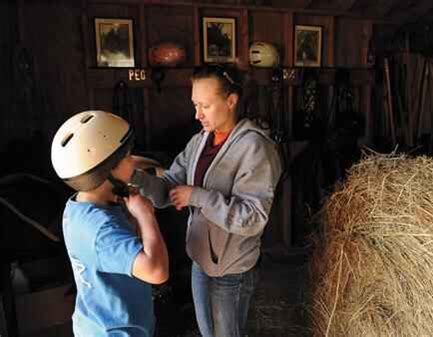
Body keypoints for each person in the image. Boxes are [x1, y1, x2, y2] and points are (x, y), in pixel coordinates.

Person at [131, 64, 282, 337]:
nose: (197, 114)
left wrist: (197, 196)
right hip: (201, 260)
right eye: (195, 104)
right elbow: (169, 188)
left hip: (233, 270)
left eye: (205, 105)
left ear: (231, 101)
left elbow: (253, 218)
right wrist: (136, 179)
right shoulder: (200, 142)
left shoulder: (255, 148)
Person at [50, 110, 169, 337]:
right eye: (127, 156)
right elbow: (157, 272)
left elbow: (115, 252)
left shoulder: (77, 207)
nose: (133, 161)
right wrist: (146, 216)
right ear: (107, 171)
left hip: (98, 323)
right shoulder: (102, 229)